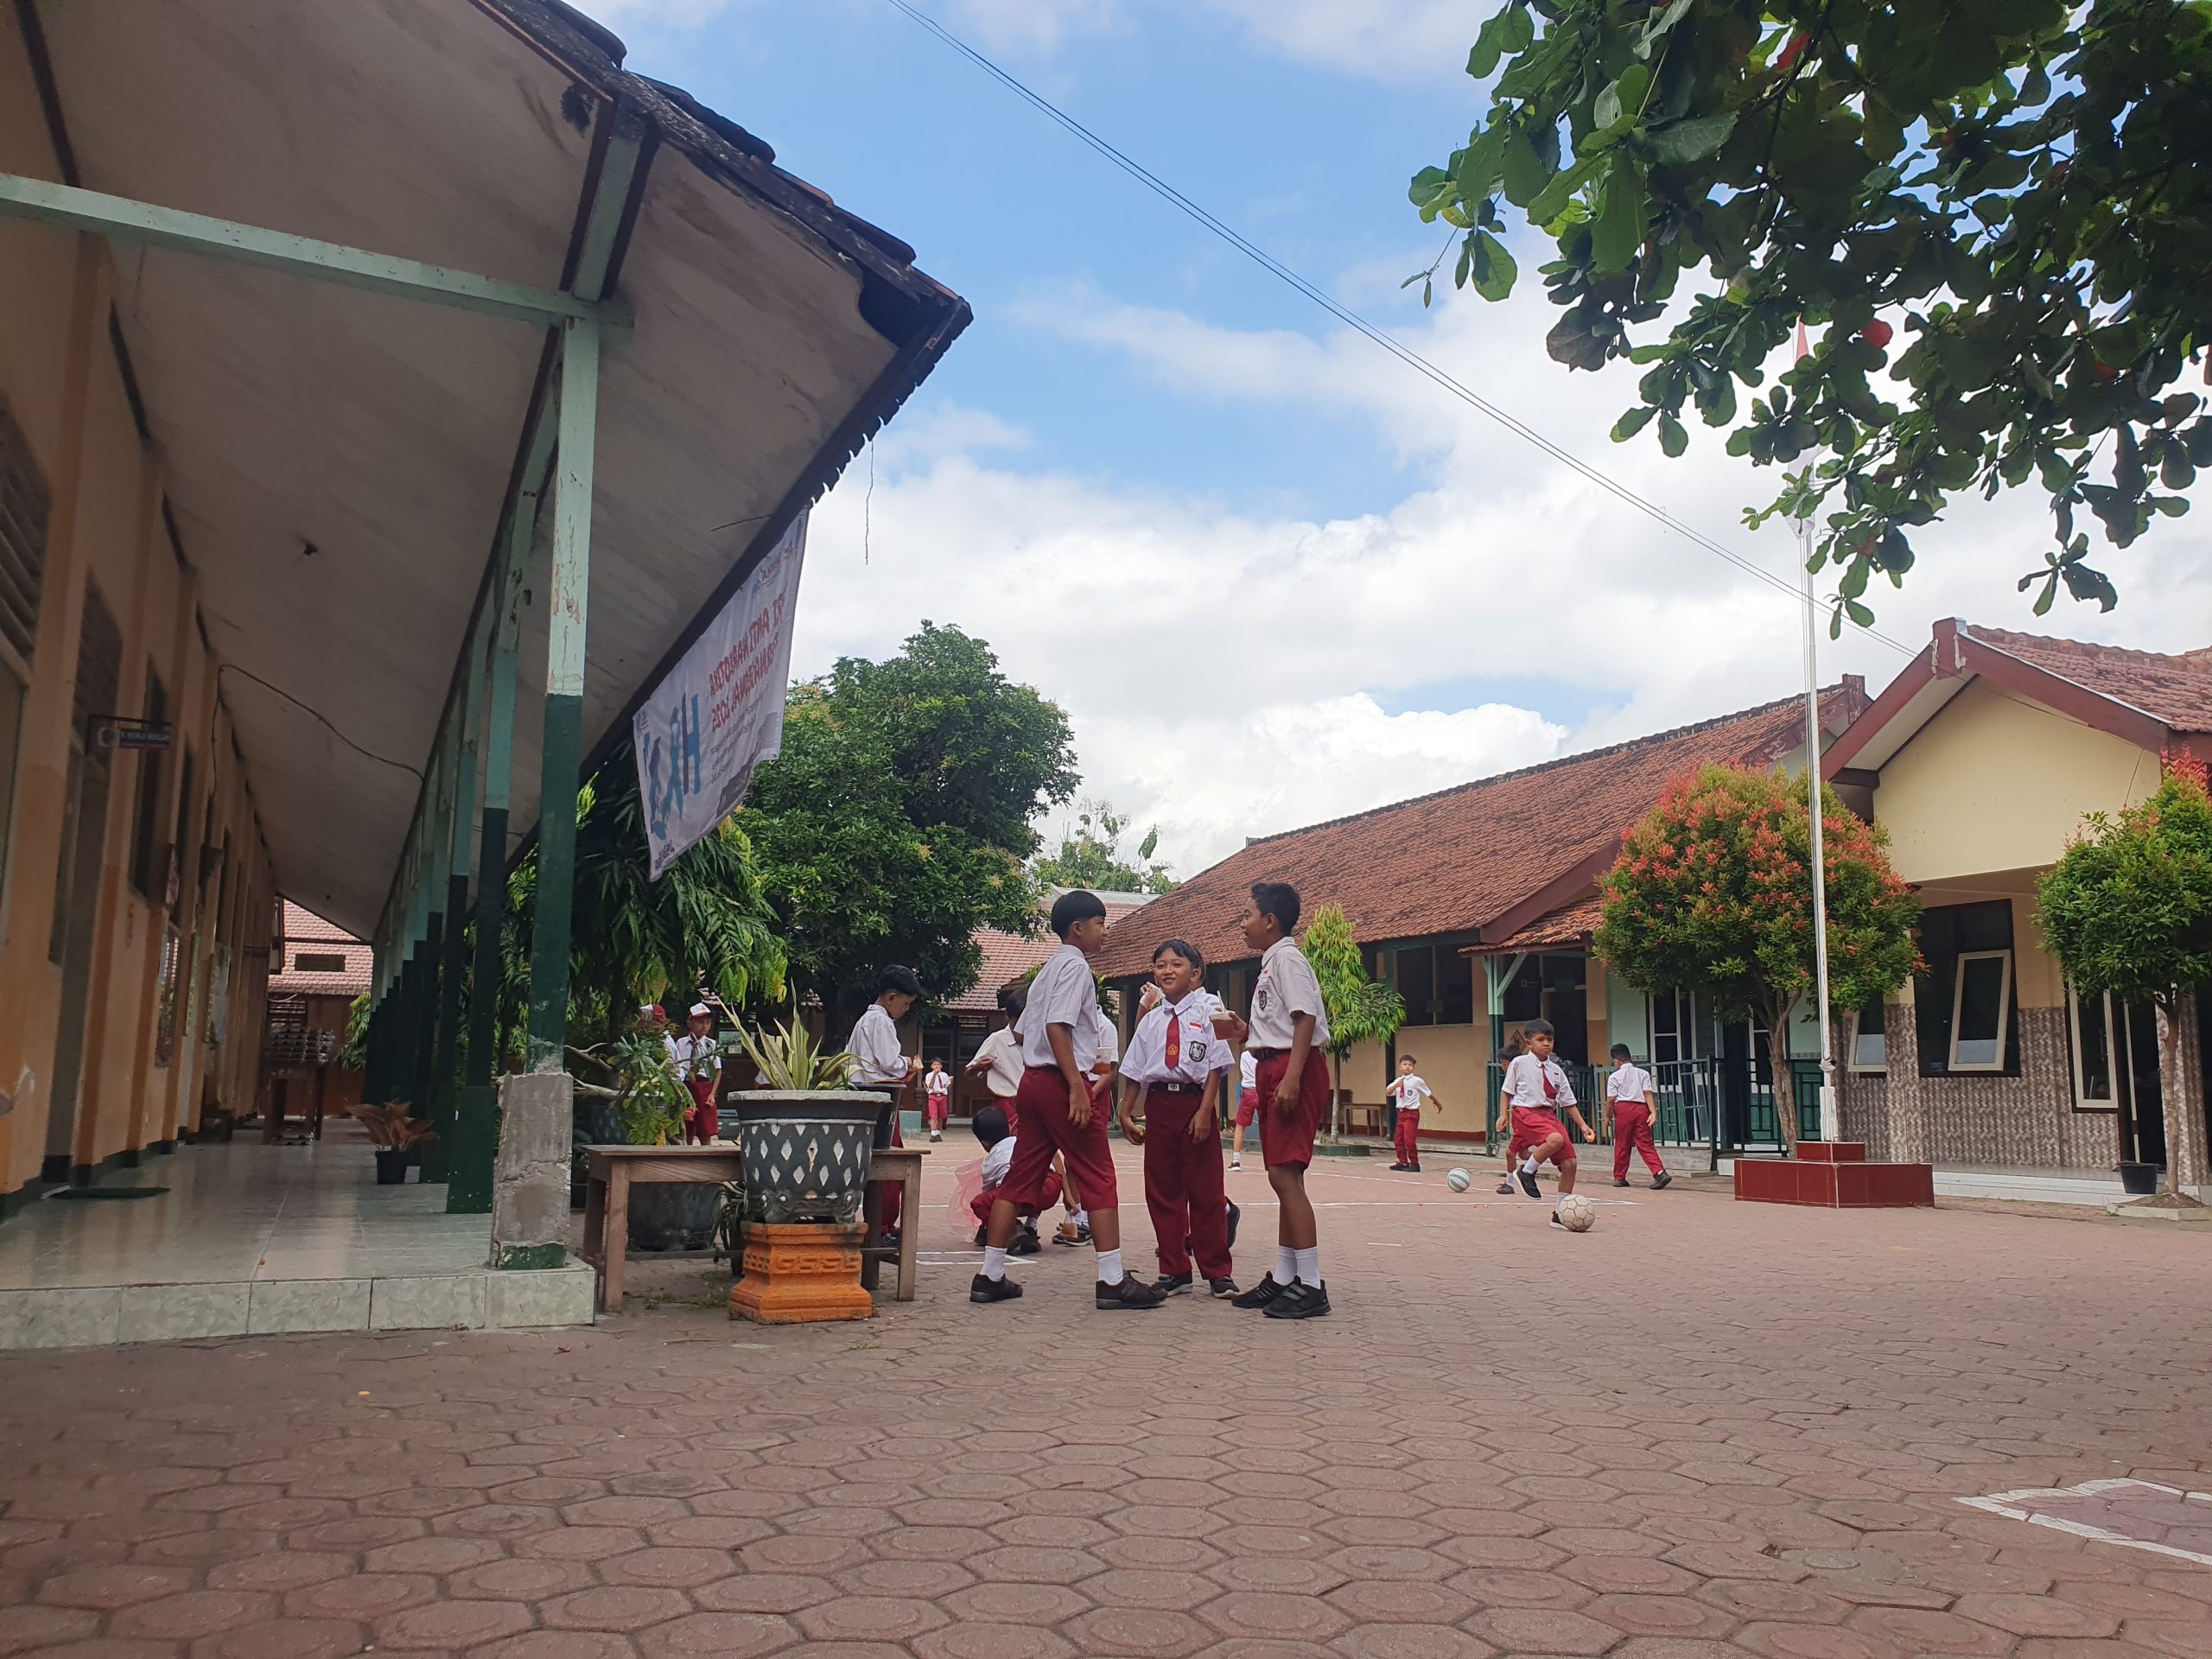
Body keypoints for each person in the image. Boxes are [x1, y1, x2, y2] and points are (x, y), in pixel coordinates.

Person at [971, 890, 1166, 1310]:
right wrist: (1077, 1085)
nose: (1104, 931)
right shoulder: (1076, 968)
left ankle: (990, 1275)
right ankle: (1113, 1280)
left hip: (1034, 1081)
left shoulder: (1045, 971)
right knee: (1098, 1175)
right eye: (1100, 923)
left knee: (1020, 1176)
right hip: (1061, 1081)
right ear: (1077, 929)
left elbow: (1024, 1032)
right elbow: (1059, 1027)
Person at [1230, 880, 1333, 1320]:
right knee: (1283, 1175)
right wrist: (1245, 1034)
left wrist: (1292, 1078)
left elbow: (1305, 1017)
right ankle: (1286, 1275)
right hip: (1275, 1063)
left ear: (1270, 921)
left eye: (1247, 916)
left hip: (1293, 1067)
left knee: (1284, 1174)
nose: (1243, 925)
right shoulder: (1273, 962)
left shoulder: (1287, 959)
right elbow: (1279, 1023)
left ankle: (1311, 1285)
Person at [1118, 938, 1237, 1298]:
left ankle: (1217, 1271)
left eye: (1177, 964)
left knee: (1206, 1190)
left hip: (1194, 1103)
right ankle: (1174, 1269)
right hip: (1159, 1105)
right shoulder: (1151, 1020)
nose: (1167, 971)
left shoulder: (1209, 1008)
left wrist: (1205, 1111)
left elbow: (1217, 1063)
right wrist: (1125, 1111)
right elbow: (1135, 1068)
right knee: (1163, 1190)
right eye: (1160, 965)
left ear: (1196, 974)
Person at [849, 965, 922, 1243]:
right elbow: (890, 1064)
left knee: (878, 1166)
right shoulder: (881, 1022)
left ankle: (879, 1224)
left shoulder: (863, 1023)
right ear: (891, 997)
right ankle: (882, 1226)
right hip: (881, 1098)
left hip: (865, 1096)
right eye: (905, 1003)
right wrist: (909, 1063)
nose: (905, 1009)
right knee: (891, 1164)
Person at [1498, 1017, 1594, 1225]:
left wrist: (1583, 1125)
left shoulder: (1556, 1070)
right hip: (1525, 1112)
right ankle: (1526, 1171)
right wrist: (1504, 1114)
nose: (1546, 1044)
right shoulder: (1519, 1063)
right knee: (1555, 1139)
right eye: (1541, 1040)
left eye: (1550, 1040)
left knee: (1570, 1163)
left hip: (1548, 1116)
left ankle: (1560, 1214)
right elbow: (1506, 1091)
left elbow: (1568, 1103)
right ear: (1529, 1044)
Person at [969, 1103, 1047, 1253]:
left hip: (1017, 1192)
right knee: (1035, 1182)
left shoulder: (991, 1160)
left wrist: (987, 1223)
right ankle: (1031, 1227)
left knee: (981, 1202)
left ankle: (1013, 1228)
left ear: (984, 1143)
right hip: (1048, 1188)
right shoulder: (1023, 1142)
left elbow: (989, 1193)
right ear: (1010, 1128)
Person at [1605, 1043, 1672, 1190]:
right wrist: (1653, 1112)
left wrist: (1607, 1115)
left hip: (1623, 1109)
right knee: (1645, 1143)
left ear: (1616, 1061)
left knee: (1623, 1143)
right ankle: (1659, 1172)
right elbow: (1648, 1093)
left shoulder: (1614, 1076)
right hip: (1642, 1109)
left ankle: (1620, 1177)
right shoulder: (1643, 1073)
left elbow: (1611, 1099)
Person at [966, 985, 1027, 1117]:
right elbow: (969, 1072)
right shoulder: (997, 1040)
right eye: (1018, 1022)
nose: (1022, 1027)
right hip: (1008, 1105)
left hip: (1034, 1106)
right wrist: (978, 1067)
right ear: (1007, 1016)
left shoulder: (1039, 1039)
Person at [669, 1001, 722, 1144]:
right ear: (690, 1023)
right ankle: (687, 1151)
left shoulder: (711, 1044)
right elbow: (676, 1065)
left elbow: (717, 1070)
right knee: (686, 1125)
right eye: (700, 1022)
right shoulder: (680, 1043)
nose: (704, 1026)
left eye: (708, 1022)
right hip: (685, 1086)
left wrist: (712, 1094)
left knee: (706, 1127)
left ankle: (707, 1154)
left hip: (704, 1087)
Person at [1385, 1055, 1433, 1173]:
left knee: (1409, 1140)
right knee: (1398, 1139)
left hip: (1411, 1113)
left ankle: (1414, 1163)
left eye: (1410, 1065)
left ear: (1413, 1067)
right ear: (1400, 1066)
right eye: (1405, 1064)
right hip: (1401, 1113)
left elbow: (1428, 1093)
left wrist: (1437, 1103)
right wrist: (1396, 1086)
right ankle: (1402, 1162)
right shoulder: (1398, 1081)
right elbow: (1388, 1092)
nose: (1407, 1067)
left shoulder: (1417, 1081)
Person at [1493, 1029, 1527, 1196]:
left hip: (1524, 1118)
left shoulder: (1521, 1074)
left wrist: (1503, 1115)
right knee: (1524, 1153)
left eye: (1505, 1064)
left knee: (1510, 1152)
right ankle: (1548, 1158)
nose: (1503, 1067)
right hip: (1519, 1117)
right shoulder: (1518, 1075)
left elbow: (1505, 1093)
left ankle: (1511, 1183)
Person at [1230, 1047, 1258, 1173]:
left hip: (1248, 1091)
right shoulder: (1263, 1054)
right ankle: (1273, 1161)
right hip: (1261, 1091)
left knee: (1240, 1126)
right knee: (1269, 1125)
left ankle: (1236, 1160)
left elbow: (1242, 1073)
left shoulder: (1244, 1055)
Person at [924, 1058, 952, 1141]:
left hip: (942, 1096)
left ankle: (938, 1133)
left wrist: (951, 1083)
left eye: (938, 1064)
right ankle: (933, 1134)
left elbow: (946, 1087)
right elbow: (930, 1086)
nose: (937, 1066)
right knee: (933, 1116)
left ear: (941, 1066)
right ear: (932, 1066)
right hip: (933, 1096)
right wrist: (935, 1075)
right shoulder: (929, 1075)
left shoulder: (944, 1075)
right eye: (935, 1064)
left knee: (941, 1116)